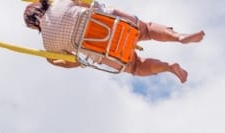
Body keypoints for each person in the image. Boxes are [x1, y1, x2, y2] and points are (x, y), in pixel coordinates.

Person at [23, 0, 205, 83]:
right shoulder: (61, 3)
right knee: (147, 29)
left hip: (104, 51)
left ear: (33, 26)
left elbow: (68, 62)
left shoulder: (48, 44)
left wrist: (73, 62)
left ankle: (167, 67)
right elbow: (87, 3)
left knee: (137, 67)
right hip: (116, 24)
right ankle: (179, 37)